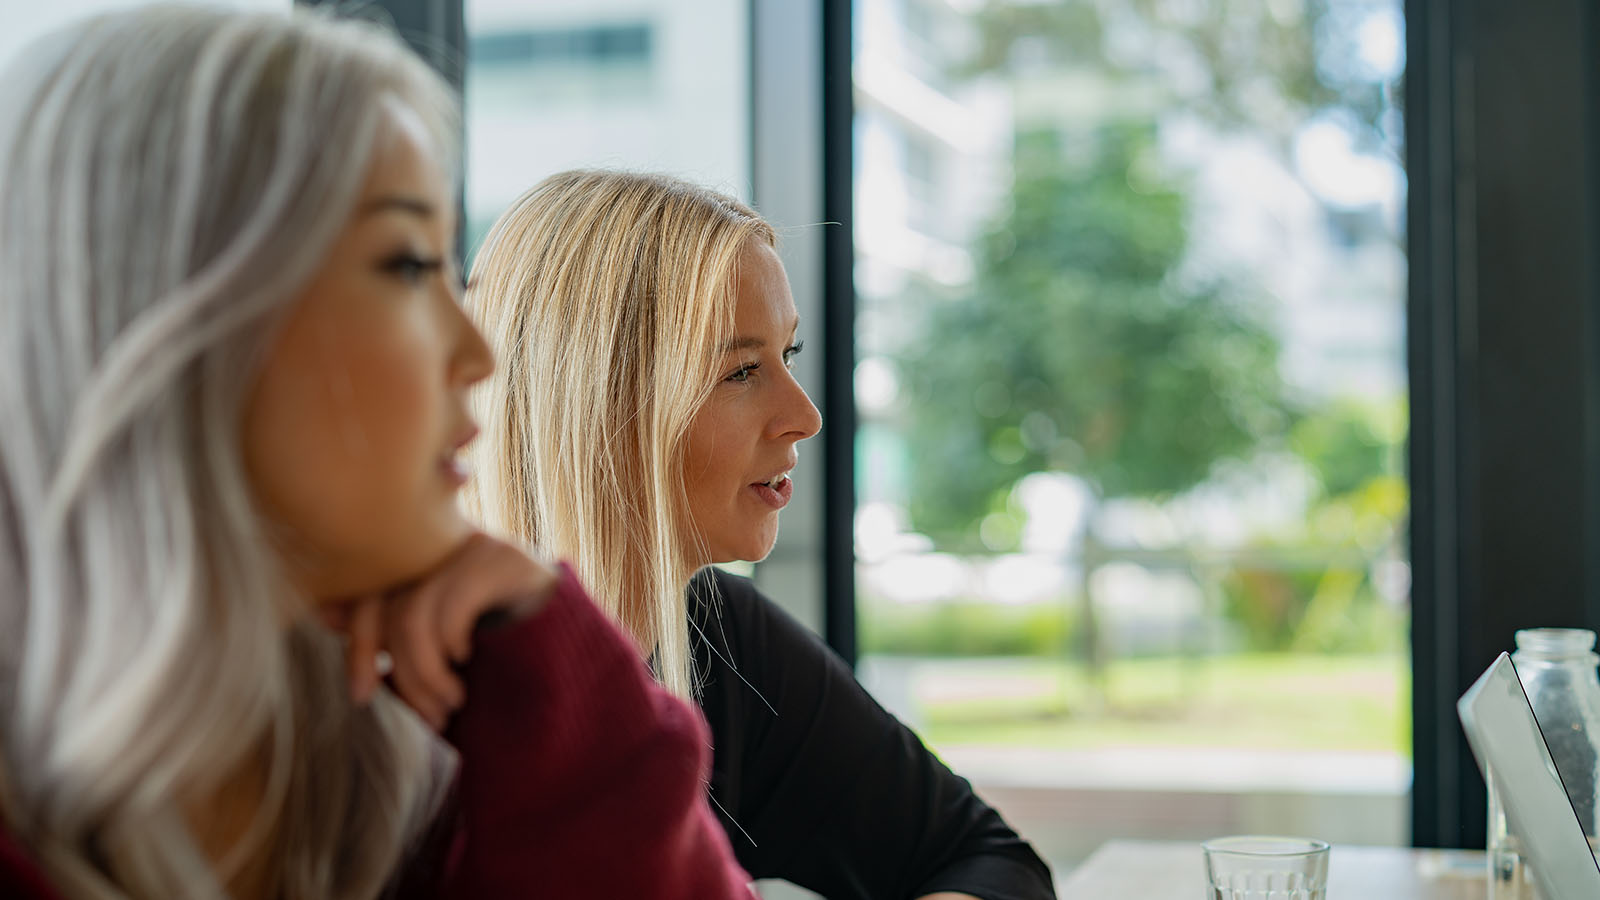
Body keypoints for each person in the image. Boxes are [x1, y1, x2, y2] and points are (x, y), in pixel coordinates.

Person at [0, 8, 753, 898]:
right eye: (405, 266)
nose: (479, 358)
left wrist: (563, 688)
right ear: (155, 309)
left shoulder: (417, 755)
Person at [465, 169, 1058, 900]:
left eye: (790, 355)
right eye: (742, 370)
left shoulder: (722, 637)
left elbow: (984, 857)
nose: (805, 415)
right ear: (598, 405)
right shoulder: (434, 689)